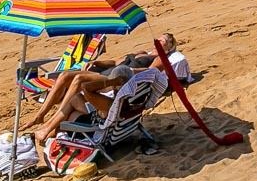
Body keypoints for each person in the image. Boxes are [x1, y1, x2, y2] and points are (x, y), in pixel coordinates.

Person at [25, 34, 177, 143]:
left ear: (169, 48)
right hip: (108, 72)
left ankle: (50, 122)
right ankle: (40, 115)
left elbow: (151, 72)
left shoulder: (160, 59)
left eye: (163, 40)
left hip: (116, 79)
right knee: (65, 75)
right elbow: (115, 61)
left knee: (78, 79)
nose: (158, 40)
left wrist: (128, 72)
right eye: (158, 38)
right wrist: (98, 62)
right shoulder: (142, 53)